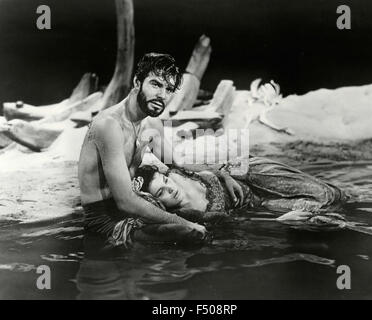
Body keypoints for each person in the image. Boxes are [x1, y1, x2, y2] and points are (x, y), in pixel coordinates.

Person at [78, 53, 243, 247]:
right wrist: (186, 223)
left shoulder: (150, 123)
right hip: (105, 223)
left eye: (169, 89)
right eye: (156, 84)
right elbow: (125, 201)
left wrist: (222, 174)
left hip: (132, 212)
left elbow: (178, 164)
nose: (162, 95)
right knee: (191, 232)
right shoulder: (109, 126)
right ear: (137, 82)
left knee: (209, 219)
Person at [134, 157, 349, 223]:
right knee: (317, 210)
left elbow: (200, 166)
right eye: (161, 192)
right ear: (158, 203)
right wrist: (280, 221)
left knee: (327, 194)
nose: (169, 188)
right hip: (257, 203)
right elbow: (238, 225)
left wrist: (224, 175)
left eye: (164, 181)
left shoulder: (173, 173)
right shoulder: (190, 216)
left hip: (248, 171)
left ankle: (353, 193)